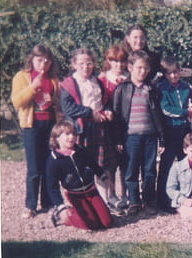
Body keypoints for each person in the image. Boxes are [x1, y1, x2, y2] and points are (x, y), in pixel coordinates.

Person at [59, 48, 119, 214]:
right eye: (81, 64)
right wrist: (90, 113)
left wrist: (108, 110)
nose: (85, 67)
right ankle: (80, 204)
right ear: (74, 64)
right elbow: (68, 108)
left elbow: (105, 101)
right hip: (80, 130)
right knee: (81, 167)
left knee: (101, 165)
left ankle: (105, 201)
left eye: (89, 63)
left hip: (99, 128)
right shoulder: (68, 84)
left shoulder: (97, 82)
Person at [11, 44, 62, 218]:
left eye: (47, 61)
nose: (43, 64)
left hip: (50, 125)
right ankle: (31, 205)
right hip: (31, 126)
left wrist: (53, 100)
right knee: (34, 167)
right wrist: (33, 87)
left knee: (49, 165)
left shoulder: (54, 79)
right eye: (40, 60)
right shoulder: (22, 77)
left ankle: (48, 203)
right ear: (32, 59)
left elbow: (59, 105)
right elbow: (17, 102)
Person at [112, 50, 165, 216]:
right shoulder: (122, 89)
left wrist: (161, 138)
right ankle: (134, 201)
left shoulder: (151, 89)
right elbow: (117, 115)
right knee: (131, 170)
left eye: (146, 68)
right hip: (130, 137)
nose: (143, 71)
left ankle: (148, 200)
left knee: (149, 170)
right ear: (130, 67)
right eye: (139, 68)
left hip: (150, 136)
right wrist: (118, 139)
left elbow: (159, 116)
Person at [46, 121, 113, 230]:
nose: (72, 137)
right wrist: (61, 206)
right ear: (57, 138)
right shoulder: (54, 160)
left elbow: (93, 165)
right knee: (91, 225)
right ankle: (64, 216)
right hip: (75, 195)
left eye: (73, 134)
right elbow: (52, 187)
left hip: (91, 191)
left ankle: (93, 211)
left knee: (107, 223)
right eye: (67, 134)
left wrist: (104, 177)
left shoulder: (81, 151)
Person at [156, 56, 192, 212]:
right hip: (170, 130)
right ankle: (162, 200)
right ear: (165, 74)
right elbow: (166, 109)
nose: (173, 76)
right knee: (166, 165)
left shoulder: (186, 87)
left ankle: (184, 197)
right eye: (170, 73)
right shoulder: (162, 88)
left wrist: (191, 120)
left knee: (184, 164)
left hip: (184, 130)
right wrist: (185, 112)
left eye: (176, 72)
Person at [98, 45, 130, 211]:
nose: (119, 65)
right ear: (109, 61)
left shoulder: (129, 78)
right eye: (115, 61)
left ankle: (126, 195)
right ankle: (111, 195)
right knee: (109, 164)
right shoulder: (102, 80)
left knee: (126, 162)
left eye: (122, 61)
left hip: (126, 125)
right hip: (107, 126)